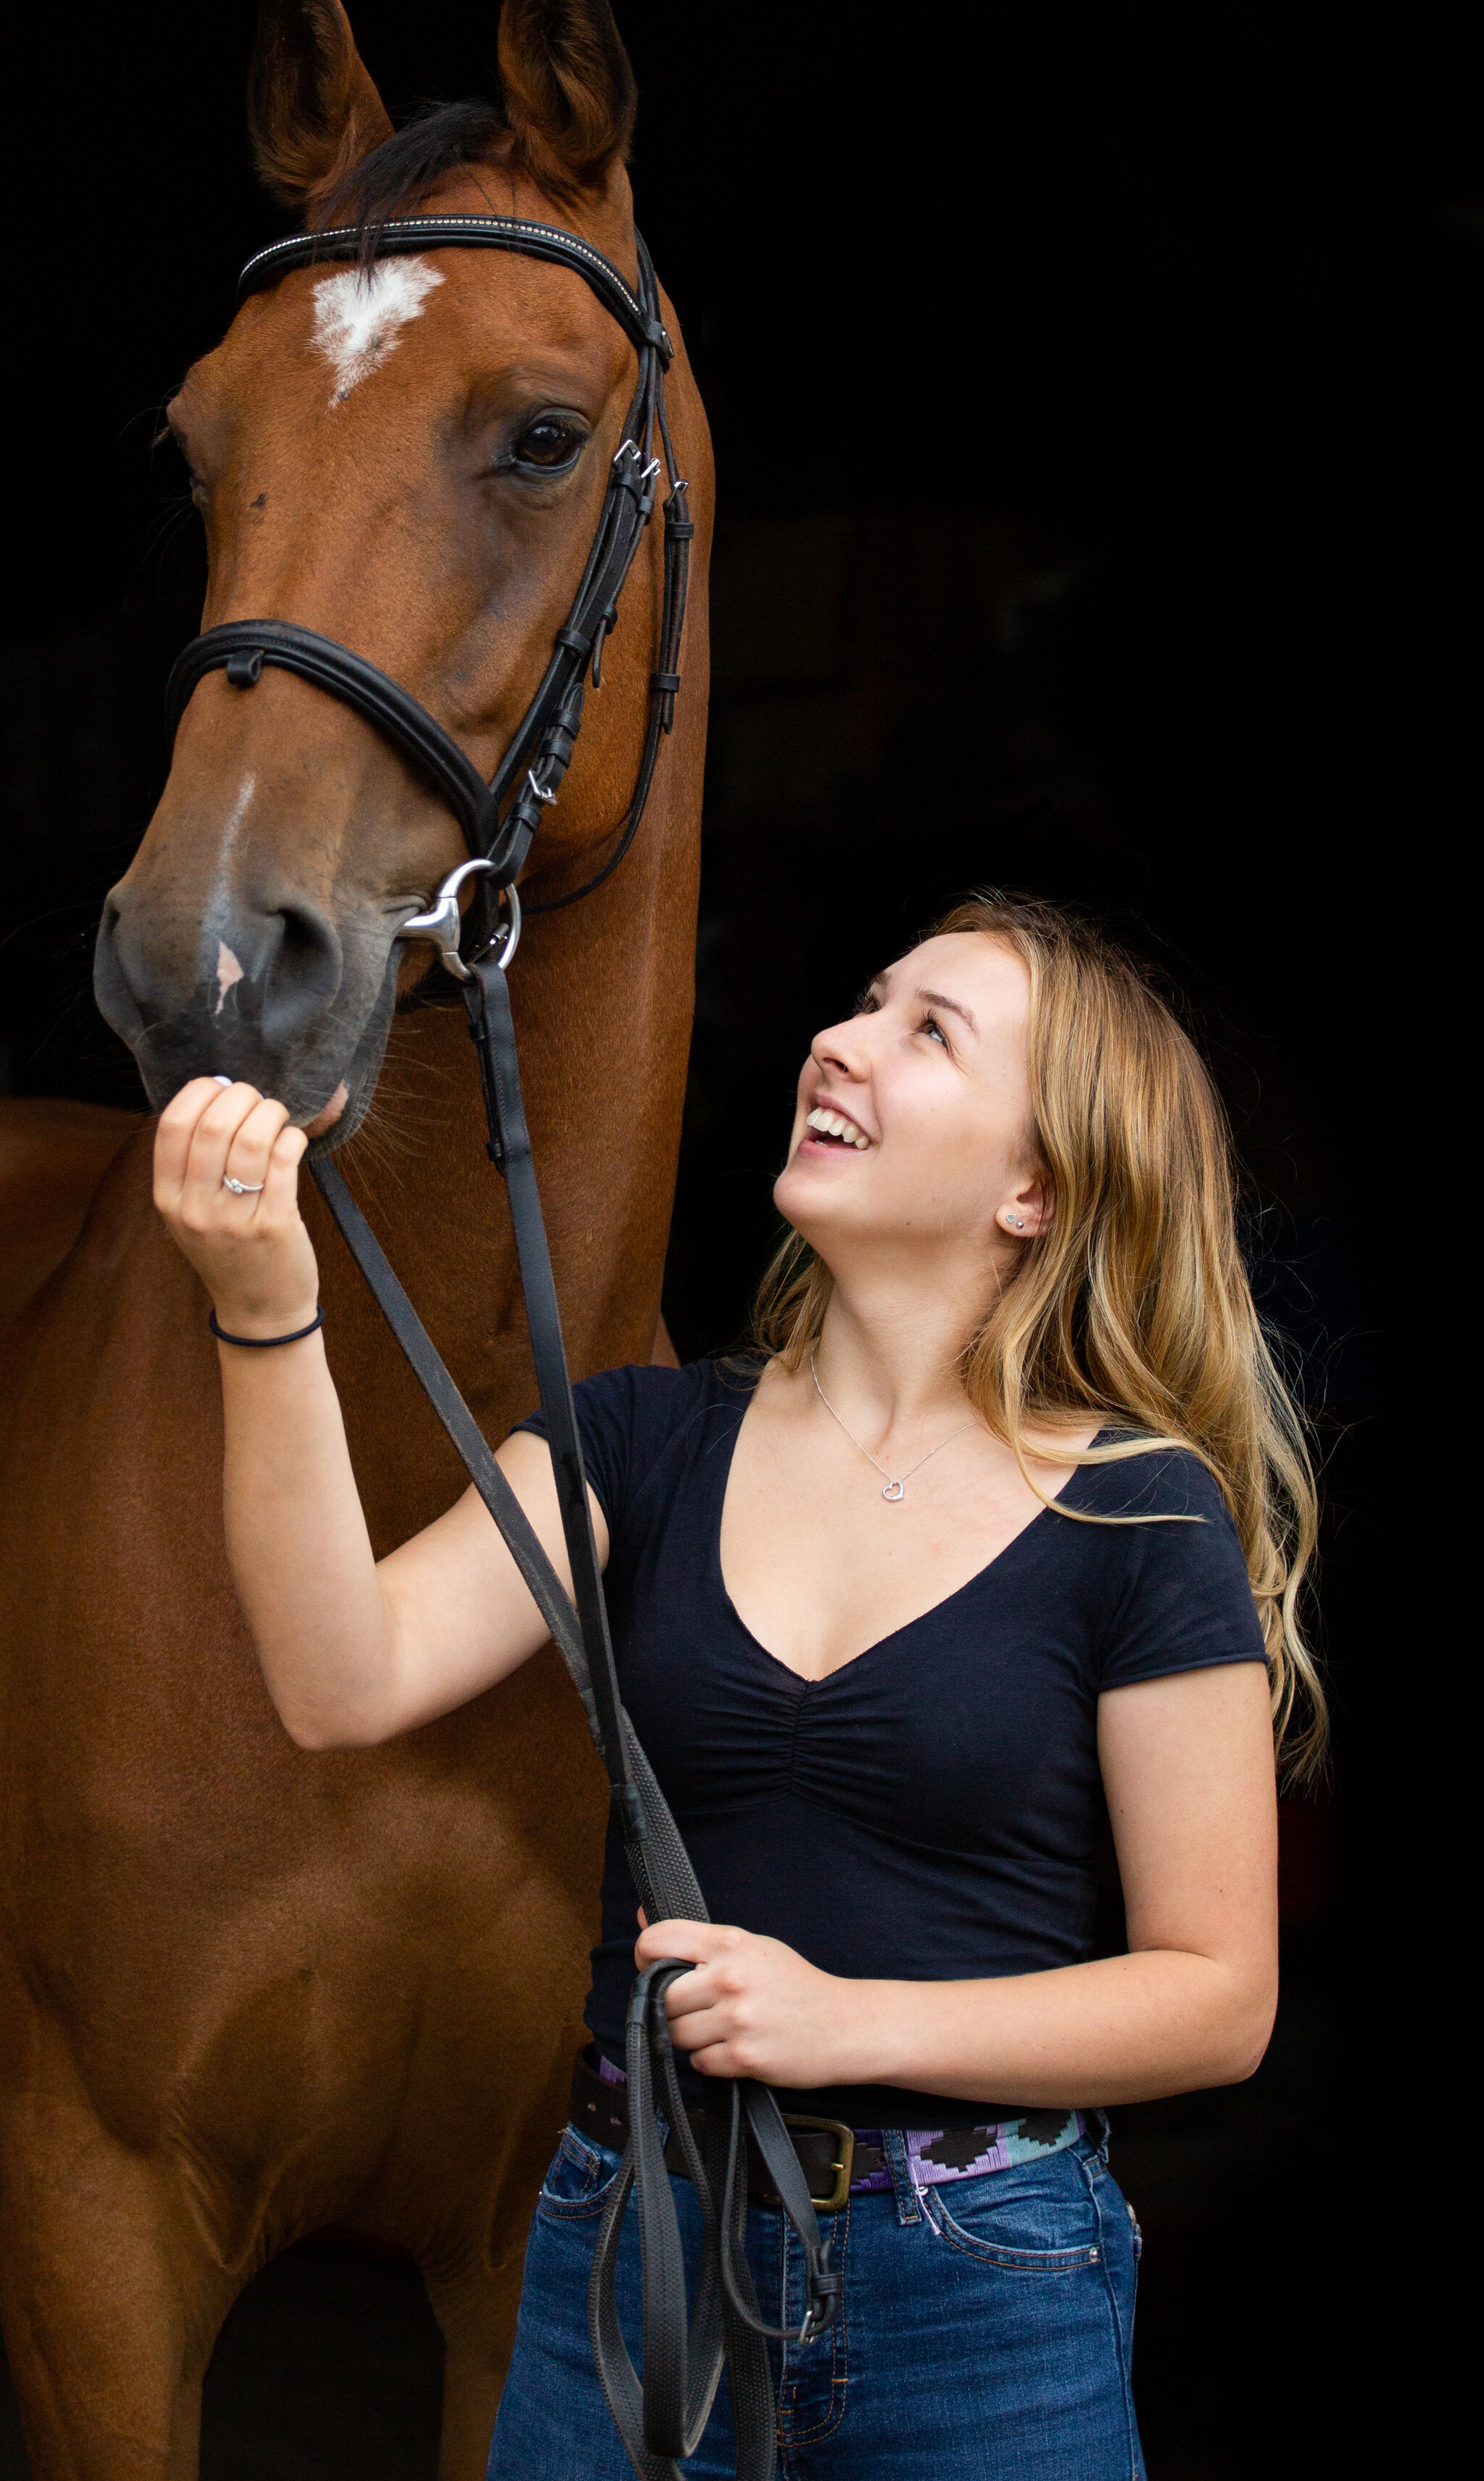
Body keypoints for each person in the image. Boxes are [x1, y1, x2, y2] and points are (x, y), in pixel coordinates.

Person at [153, 890, 1322, 2480]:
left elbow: (1215, 1998)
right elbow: (338, 1676)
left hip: (980, 2288)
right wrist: (260, 1308)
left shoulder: (1134, 1516)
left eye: (927, 1033)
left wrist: (843, 2020)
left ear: (1033, 1189)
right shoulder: (637, 1445)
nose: (836, 1043)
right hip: (631, 2246)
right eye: (861, 1001)